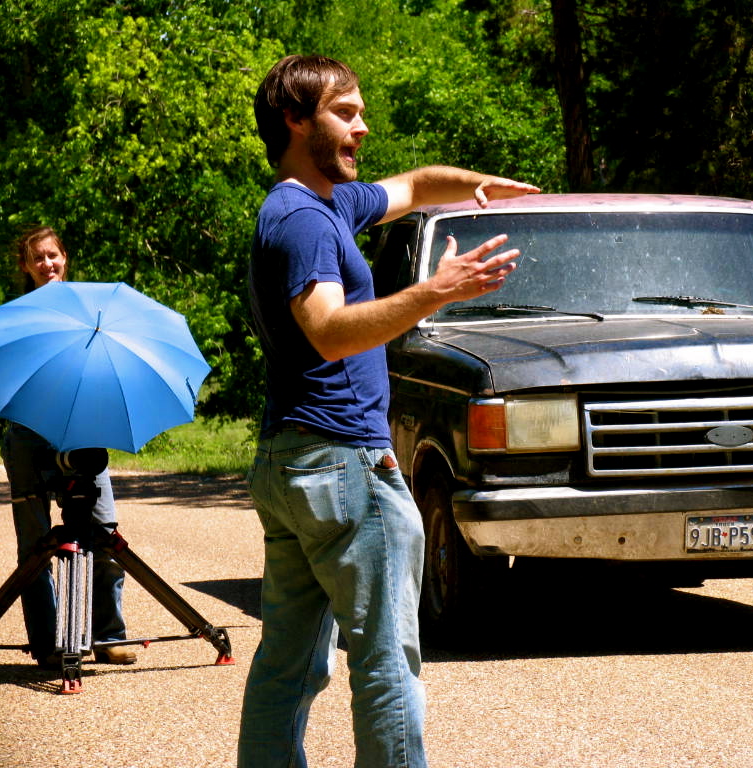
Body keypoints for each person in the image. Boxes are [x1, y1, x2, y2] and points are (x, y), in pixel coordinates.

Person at [239, 54, 539, 768]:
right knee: (386, 665)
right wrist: (439, 290)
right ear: (294, 119)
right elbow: (329, 329)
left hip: (292, 461)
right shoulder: (303, 222)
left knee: (289, 666)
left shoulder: (323, 204)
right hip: (344, 466)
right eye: (346, 113)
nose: (363, 127)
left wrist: (476, 187)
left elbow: (412, 186)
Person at [0, 226, 136, 668]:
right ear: (26, 266)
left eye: (53, 255)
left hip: (83, 433)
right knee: (36, 548)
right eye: (37, 258)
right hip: (26, 437)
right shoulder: (12, 318)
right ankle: (47, 645)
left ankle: (108, 637)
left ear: (65, 258)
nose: (47, 264)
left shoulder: (90, 311)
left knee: (105, 534)